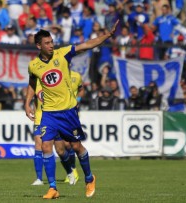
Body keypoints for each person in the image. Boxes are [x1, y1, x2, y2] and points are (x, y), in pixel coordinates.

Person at [25, 20, 119, 199]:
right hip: (49, 113)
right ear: (38, 45)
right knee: (46, 146)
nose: (51, 45)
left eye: (52, 41)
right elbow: (32, 82)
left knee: (76, 146)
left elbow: (87, 45)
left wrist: (107, 36)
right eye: (47, 43)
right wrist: (27, 102)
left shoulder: (63, 53)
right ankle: (53, 188)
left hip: (68, 112)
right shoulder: (33, 66)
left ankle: (89, 178)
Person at [31, 77, 78, 186]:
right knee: (39, 145)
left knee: (60, 150)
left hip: (55, 119)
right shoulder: (36, 82)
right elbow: (34, 97)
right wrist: (32, 108)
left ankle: (70, 172)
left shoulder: (56, 82)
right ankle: (39, 179)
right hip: (40, 120)